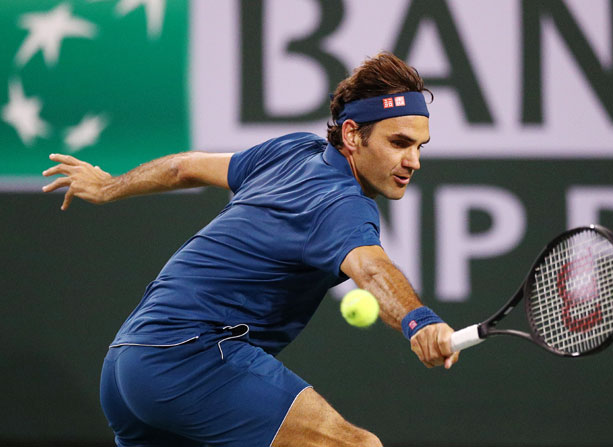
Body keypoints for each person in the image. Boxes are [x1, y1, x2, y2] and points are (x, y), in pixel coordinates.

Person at [42, 52, 459, 447]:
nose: (413, 161)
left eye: (419, 146)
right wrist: (418, 321)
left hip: (125, 364)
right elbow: (371, 271)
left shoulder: (293, 150)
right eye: (399, 143)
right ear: (352, 134)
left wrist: (109, 186)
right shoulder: (343, 204)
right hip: (192, 357)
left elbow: (182, 167)